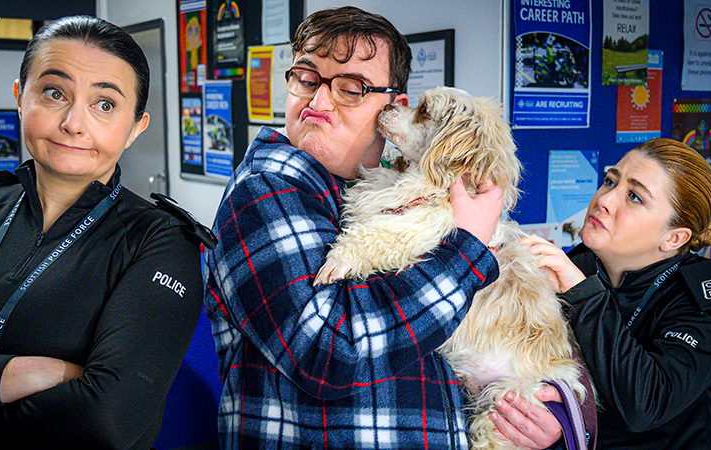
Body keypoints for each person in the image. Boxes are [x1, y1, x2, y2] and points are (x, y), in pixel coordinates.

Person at [204, 6, 589, 449]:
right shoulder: (264, 195)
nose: (318, 102)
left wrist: (549, 412)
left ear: (394, 108)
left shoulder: (387, 193)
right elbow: (330, 354)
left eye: (351, 88)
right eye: (307, 79)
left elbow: (510, 339)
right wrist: (466, 250)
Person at [0, 16, 204, 449]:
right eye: (54, 93)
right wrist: (27, 374)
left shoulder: (160, 240)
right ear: (19, 96)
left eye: (104, 104)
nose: (73, 122)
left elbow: (107, 420)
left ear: (135, 128)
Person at [515, 138, 711, 450]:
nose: (605, 200)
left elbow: (646, 404)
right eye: (611, 181)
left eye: (634, 197)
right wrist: (558, 420)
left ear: (674, 237)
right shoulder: (582, 263)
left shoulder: (708, 296)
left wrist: (583, 295)